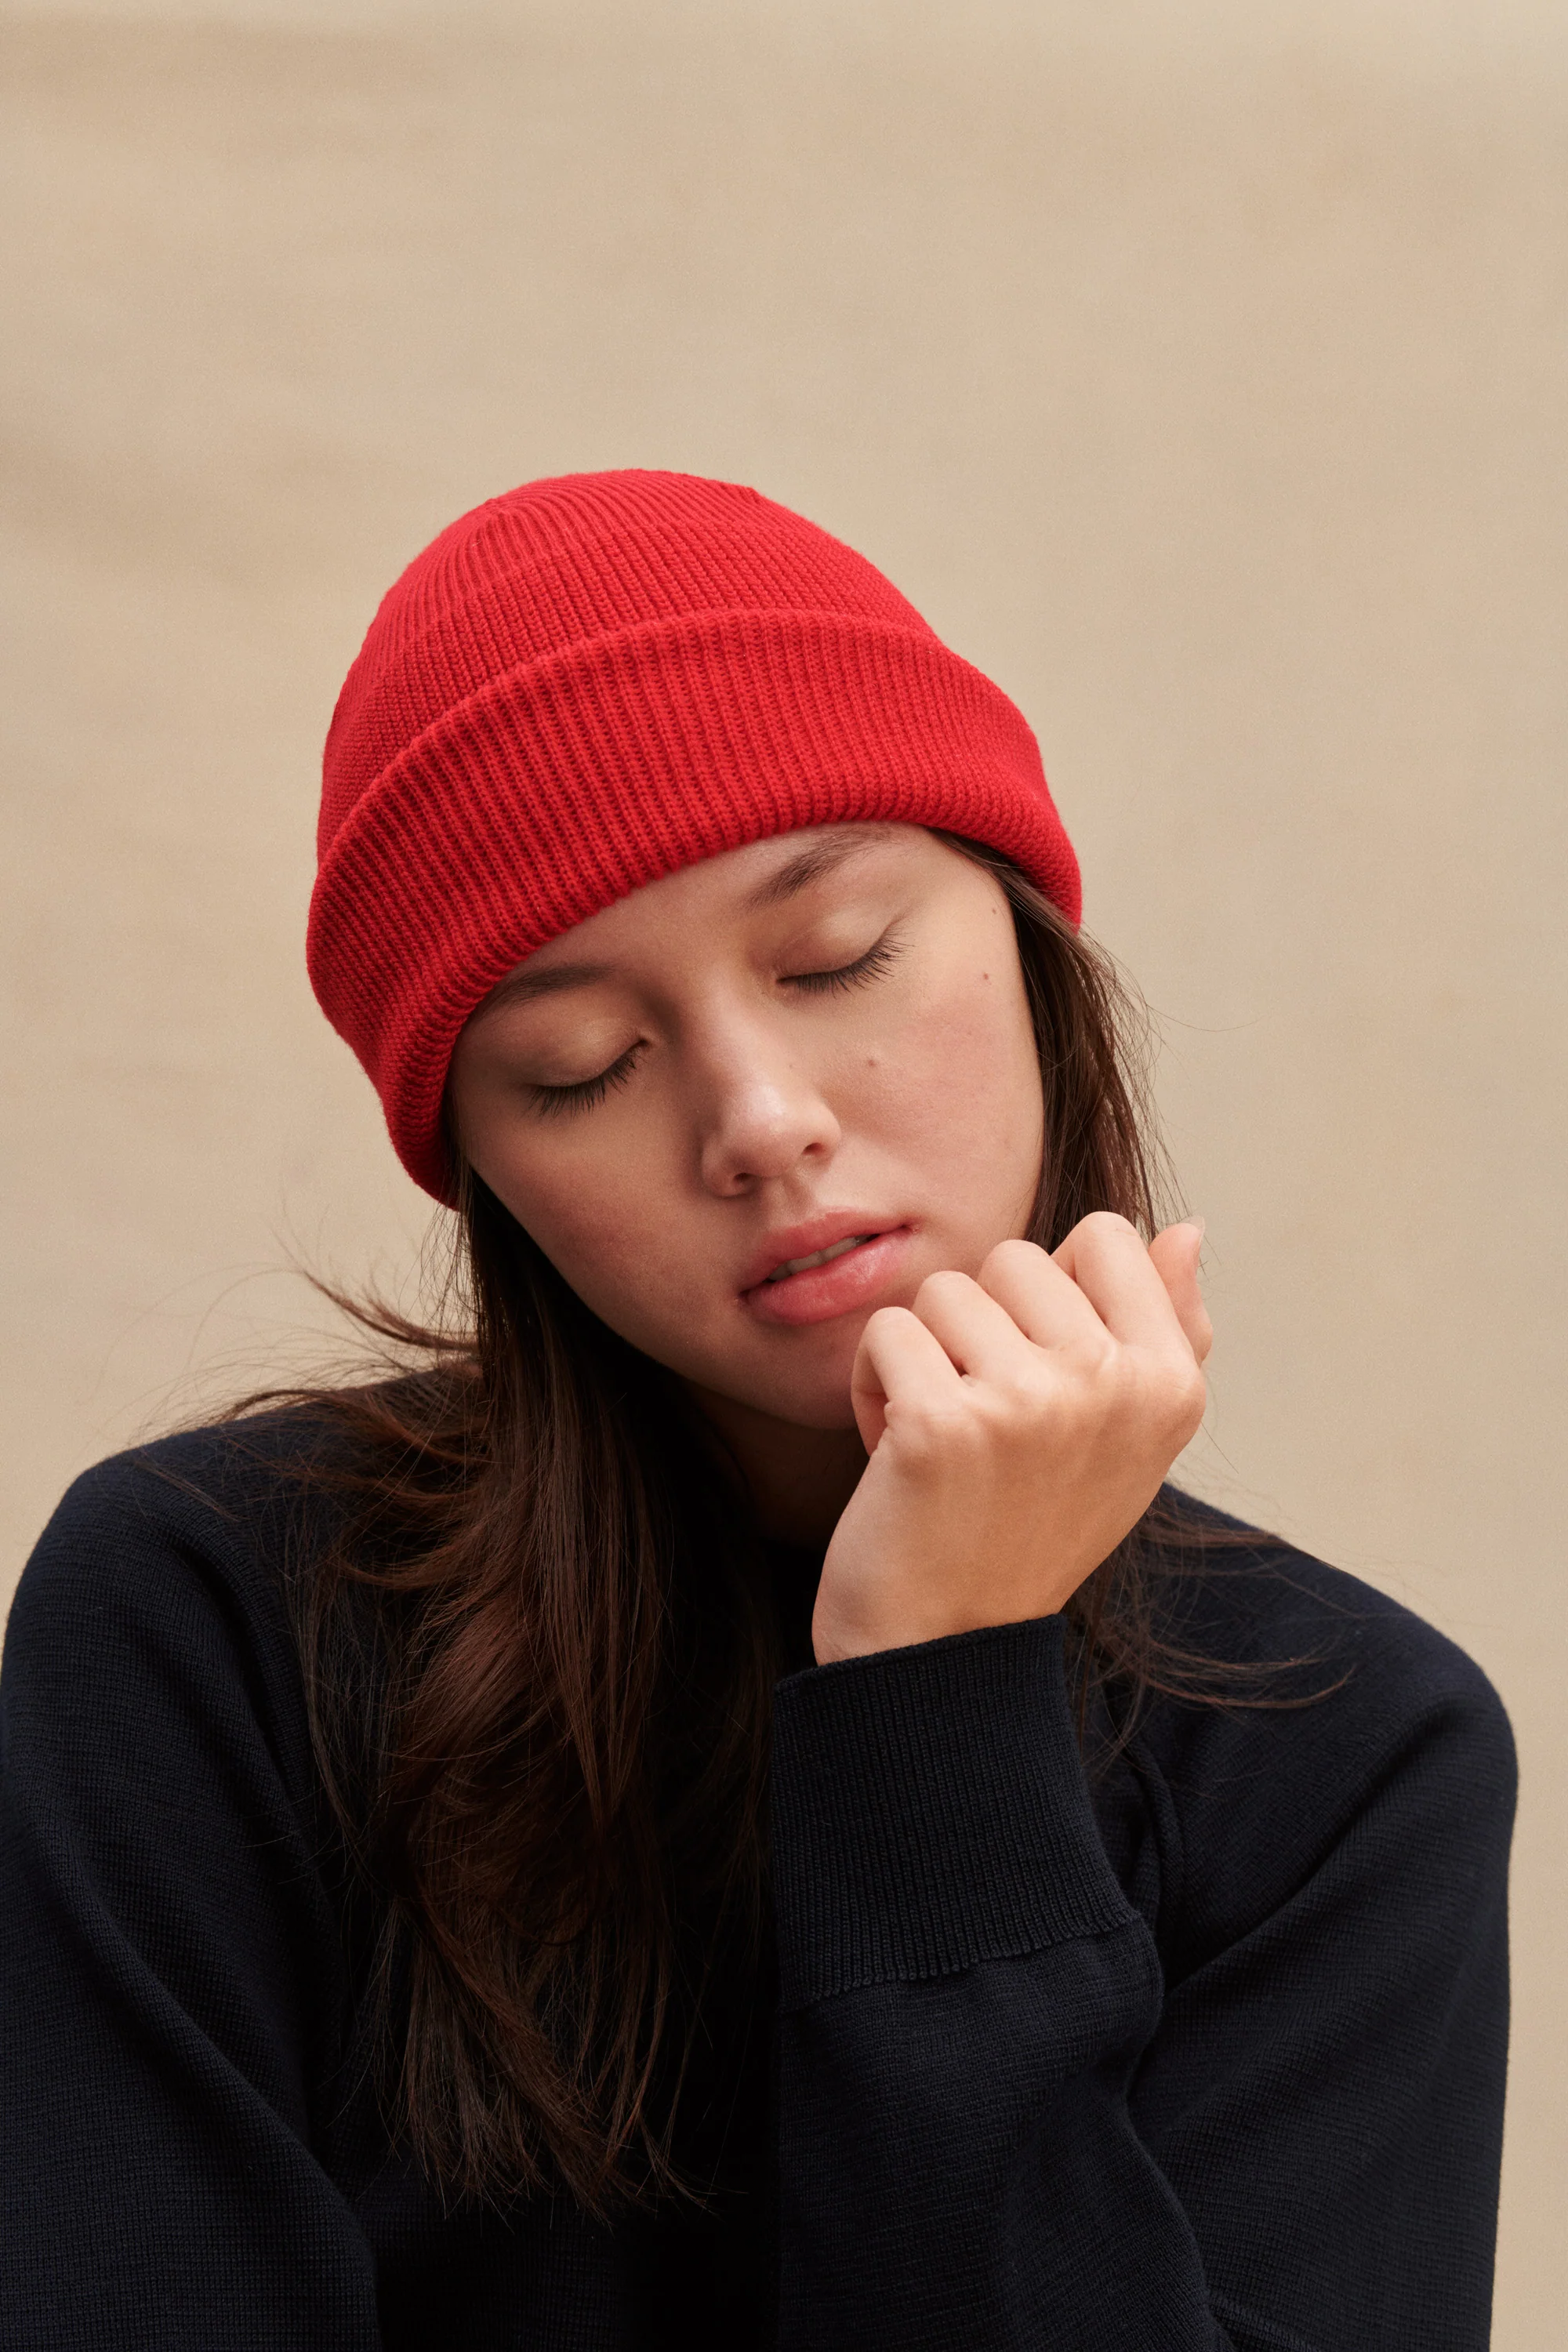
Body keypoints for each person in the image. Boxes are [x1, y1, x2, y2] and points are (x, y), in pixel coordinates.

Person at [2, 472, 1515, 2351]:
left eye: (835, 960)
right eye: (584, 1066)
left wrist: (934, 1691)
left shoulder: (1348, 1752)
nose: (759, 1118)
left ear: (1029, 945)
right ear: (484, 1173)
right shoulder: (212, 1624)